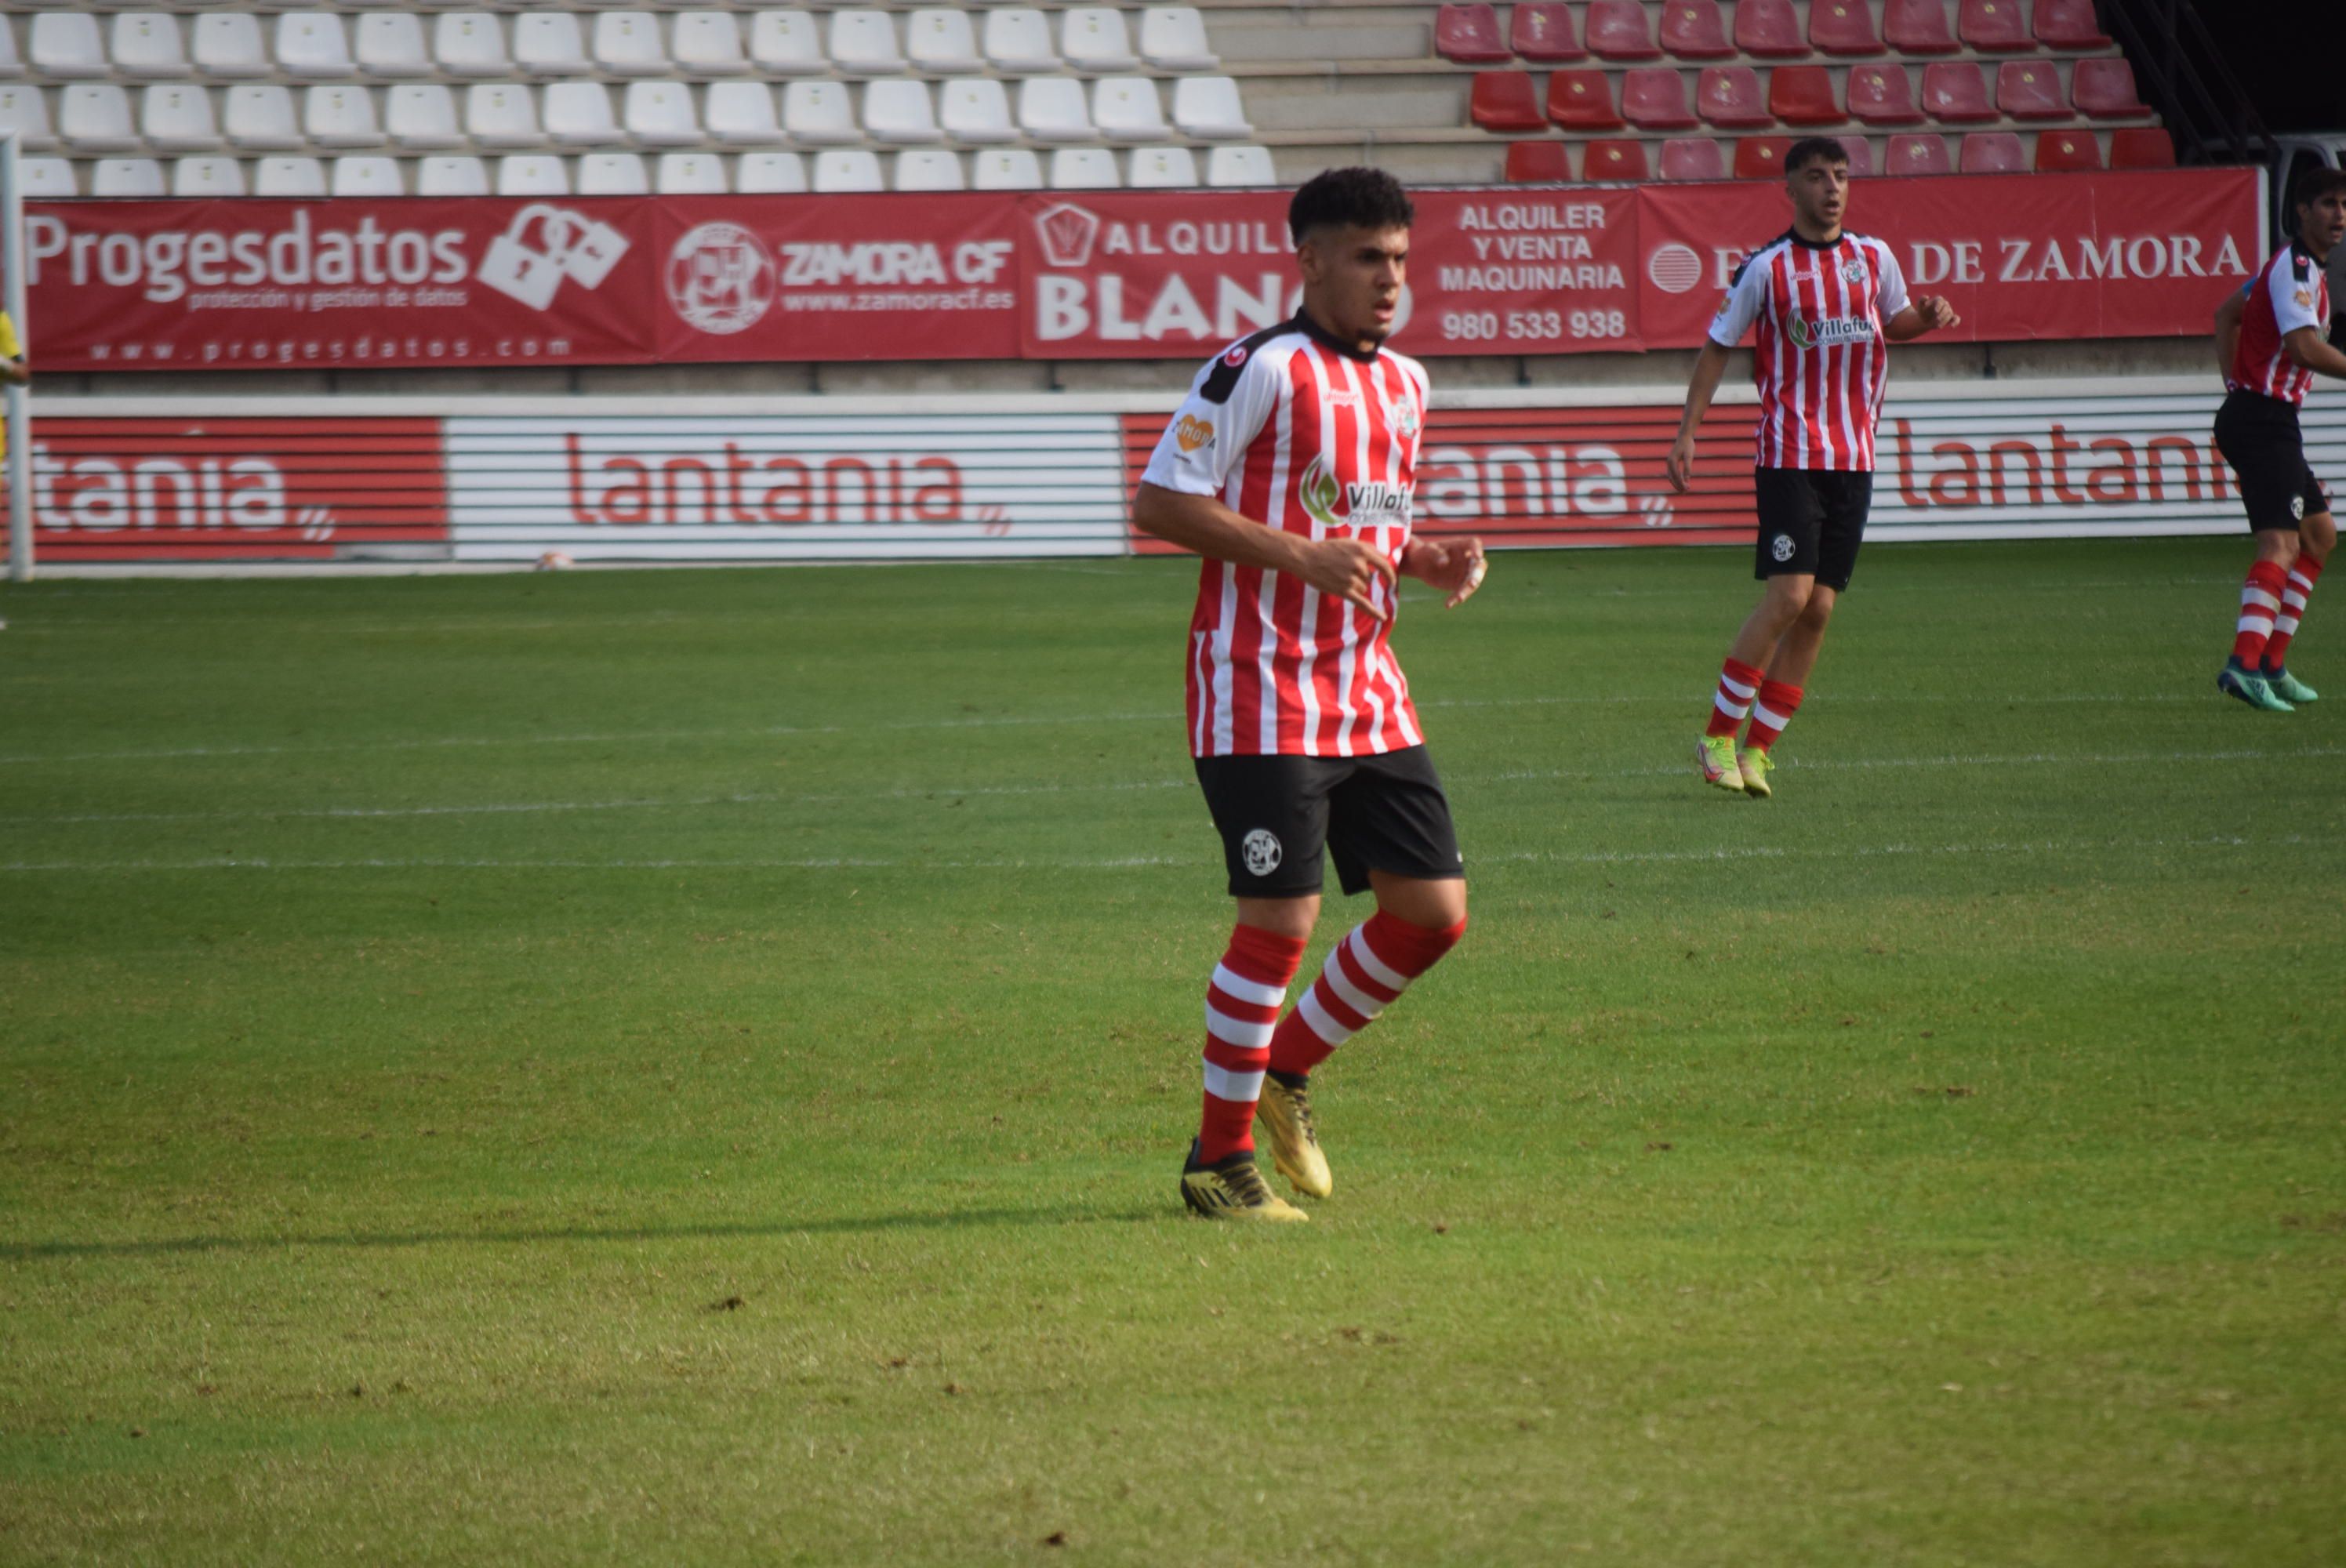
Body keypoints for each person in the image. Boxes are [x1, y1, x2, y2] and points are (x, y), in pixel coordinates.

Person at [1130, 167, 1487, 1222]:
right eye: (1369, 258)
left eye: (1402, 261)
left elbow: (1358, 524)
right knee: (1280, 922)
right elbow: (1160, 500)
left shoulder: (1407, 384)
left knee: (1432, 915)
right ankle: (1217, 1160)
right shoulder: (1259, 369)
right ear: (1313, 259)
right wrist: (1296, 553)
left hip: (1369, 687)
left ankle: (1283, 1075)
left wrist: (1417, 555)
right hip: (1257, 685)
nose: (1390, 281)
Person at [1665, 137, 1959, 799]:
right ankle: (1717, 735)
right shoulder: (1766, 269)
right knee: (1790, 596)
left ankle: (1758, 752)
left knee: (1820, 609)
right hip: (1790, 454)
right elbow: (1716, 349)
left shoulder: (1873, 257)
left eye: (1842, 177)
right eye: (1818, 177)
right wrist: (1688, 432)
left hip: (1855, 458)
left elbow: (1895, 322)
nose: (1833, 188)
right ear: (1789, 189)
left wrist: (1928, 317)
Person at [2209, 166, 2346, 712]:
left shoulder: (2302, 270)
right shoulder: (2294, 269)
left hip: (2265, 416)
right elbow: (2303, 349)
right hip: (2263, 419)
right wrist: (2242, 389)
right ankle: (2244, 665)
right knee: (2281, 543)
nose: (2340, 214)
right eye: (2329, 204)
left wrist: (2233, 383)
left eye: (2344, 204)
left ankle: (2272, 663)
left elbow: (2227, 314)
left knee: (2318, 537)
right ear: (2302, 212)